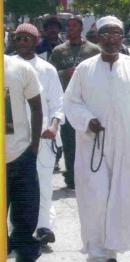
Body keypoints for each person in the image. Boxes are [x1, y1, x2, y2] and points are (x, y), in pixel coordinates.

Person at [63, 16, 130, 262]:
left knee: (121, 199)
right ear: (97, 38)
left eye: (116, 33)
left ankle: (111, 251)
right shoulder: (85, 69)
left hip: (126, 147)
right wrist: (87, 120)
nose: (111, 38)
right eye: (106, 34)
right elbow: (71, 101)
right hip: (93, 146)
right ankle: (96, 253)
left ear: (122, 37)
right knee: (94, 199)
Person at [13, 23, 65, 247]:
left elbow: (58, 105)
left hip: (43, 138)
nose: (22, 42)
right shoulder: (7, 66)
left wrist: (53, 126)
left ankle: (44, 227)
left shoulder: (47, 69)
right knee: (13, 188)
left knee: (42, 184)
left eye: (27, 38)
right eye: (18, 39)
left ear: (35, 41)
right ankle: (14, 233)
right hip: (12, 139)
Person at [49, 15, 101, 189]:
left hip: (89, 101)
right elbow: (50, 74)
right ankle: (71, 177)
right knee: (69, 141)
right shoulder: (59, 51)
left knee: (89, 139)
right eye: (68, 26)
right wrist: (65, 73)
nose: (70, 29)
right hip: (67, 101)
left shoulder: (93, 50)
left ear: (81, 29)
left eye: (74, 26)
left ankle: (91, 174)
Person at [5, 54, 43, 262]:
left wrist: (34, 146)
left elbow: (36, 107)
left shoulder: (20, 68)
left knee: (25, 219)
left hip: (20, 156)